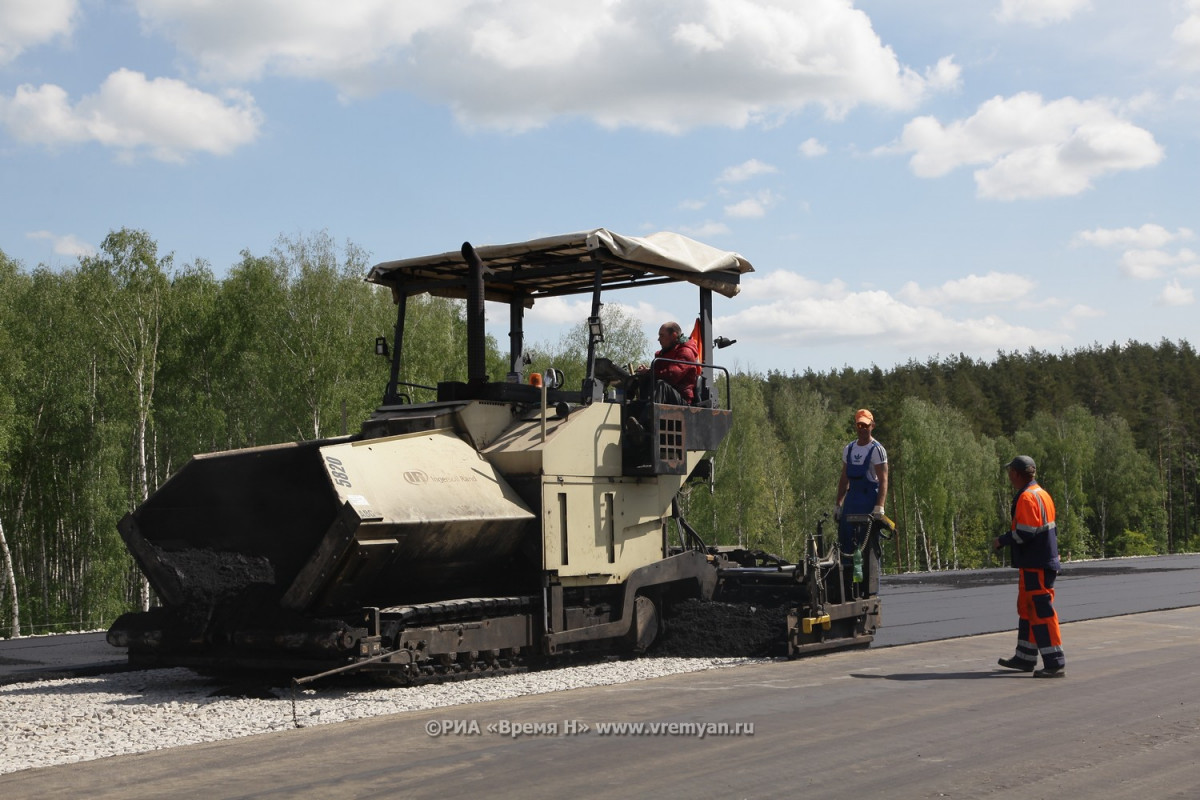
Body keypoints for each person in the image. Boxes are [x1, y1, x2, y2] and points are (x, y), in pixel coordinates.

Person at [993, 455, 1066, 678]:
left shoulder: (1027, 498)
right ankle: (1025, 657)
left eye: (1009, 472)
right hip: (1036, 562)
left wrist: (1001, 540)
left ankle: (1054, 662)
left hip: (1037, 563)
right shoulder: (1042, 493)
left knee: (1041, 610)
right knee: (1027, 608)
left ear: (1016, 473)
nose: (1008, 476)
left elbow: (1025, 532)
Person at [834, 409, 889, 592]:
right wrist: (838, 504)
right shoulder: (849, 449)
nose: (862, 429)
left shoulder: (877, 450)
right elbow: (844, 479)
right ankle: (849, 585)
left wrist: (879, 506)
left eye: (865, 425)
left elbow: (883, 480)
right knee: (845, 541)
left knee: (867, 545)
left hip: (869, 499)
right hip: (852, 499)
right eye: (859, 425)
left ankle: (868, 588)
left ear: (872, 426)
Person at [633, 321, 699, 405]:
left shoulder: (685, 352)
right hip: (664, 397)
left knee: (661, 385)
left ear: (674, 336)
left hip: (682, 399)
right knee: (641, 382)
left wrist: (649, 372)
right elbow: (656, 373)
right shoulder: (662, 354)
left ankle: (647, 417)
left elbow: (671, 376)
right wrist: (644, 373)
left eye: (662, 335)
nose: (658, 339)